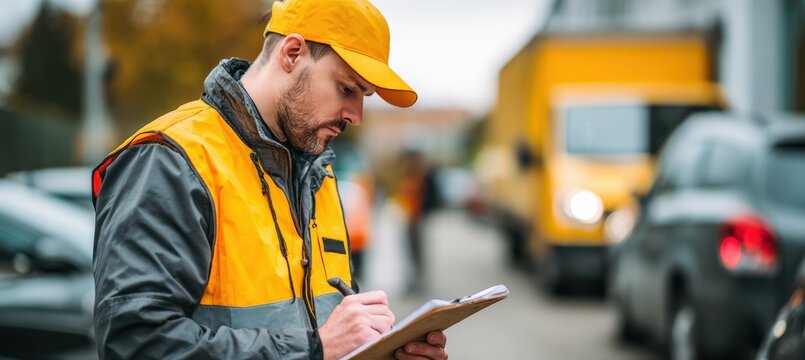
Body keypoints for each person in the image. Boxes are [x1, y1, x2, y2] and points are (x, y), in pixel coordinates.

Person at [91, 0, 448, 359]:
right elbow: (137, 344)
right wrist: (314, 348)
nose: (356, 116)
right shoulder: (170, 160)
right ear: (292, 53)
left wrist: (383, 350)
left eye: (364, 97)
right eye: (346, 89)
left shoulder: (317, 175)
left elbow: (330, 331)